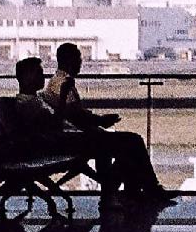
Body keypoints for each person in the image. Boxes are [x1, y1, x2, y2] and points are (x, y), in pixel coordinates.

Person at [36, 48, 174, 207]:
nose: (81, 63)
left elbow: (72, 113)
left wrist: (98, 121)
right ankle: (139, 189)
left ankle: (132, 190)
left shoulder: (57, 81)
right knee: (133, 142)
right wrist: (100, 121)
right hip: (80, 138)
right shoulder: (64, 84)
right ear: (69, 61)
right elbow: (75, 116)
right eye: (78, 59)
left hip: (78, 135)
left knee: (128, 145)